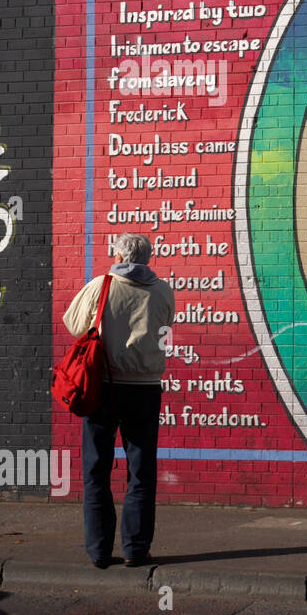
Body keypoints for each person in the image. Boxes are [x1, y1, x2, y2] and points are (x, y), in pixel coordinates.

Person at [63, 232, 174, 568]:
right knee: (142, 470)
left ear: (118, 255)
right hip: (145, 388)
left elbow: (73, 324)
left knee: (96, 468)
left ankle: (98, 551)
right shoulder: (163, 290)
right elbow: (165, 326)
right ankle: (135, 549)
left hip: (105, 386)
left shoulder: (101, 286)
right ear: (148, 257)